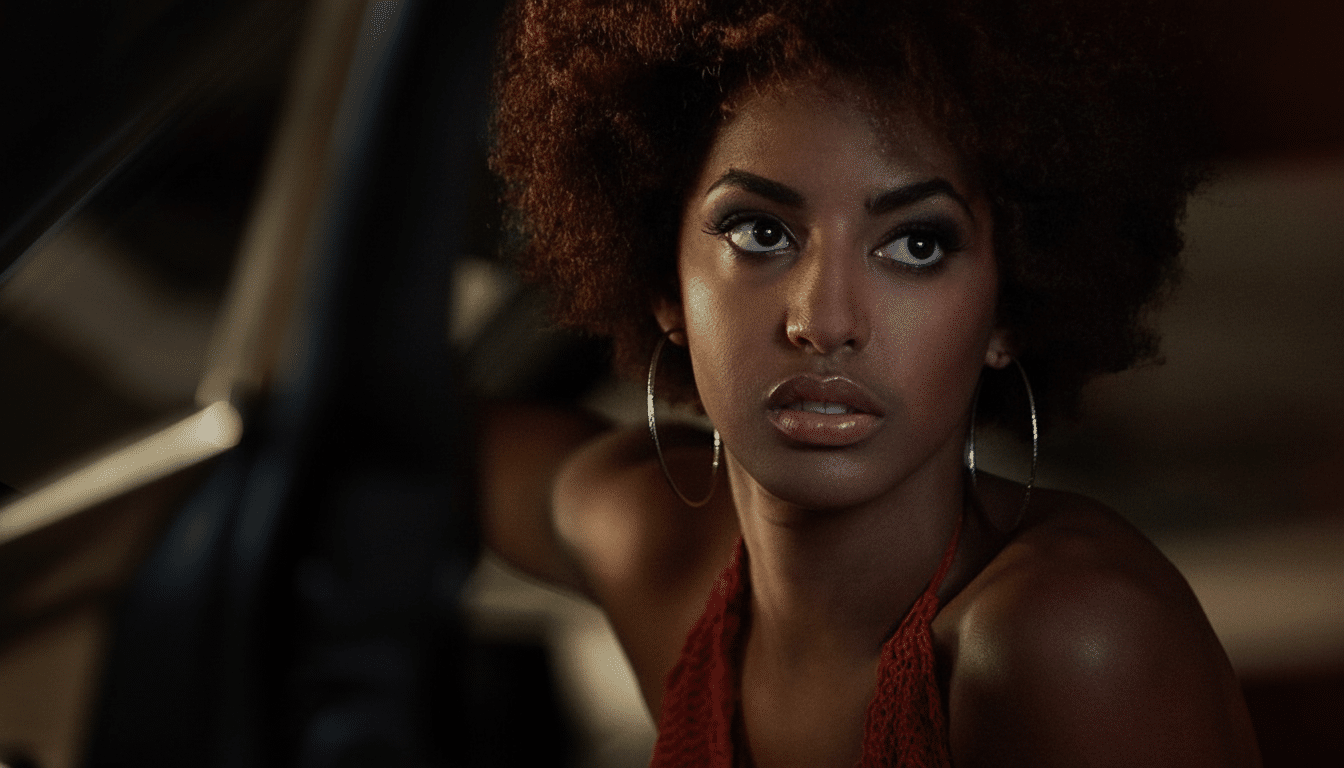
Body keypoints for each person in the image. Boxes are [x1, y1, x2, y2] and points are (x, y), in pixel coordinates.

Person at [483, 0, 1260, 765]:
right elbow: (431, 436)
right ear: (665, 283)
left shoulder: (1073, 641)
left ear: (1008, 311)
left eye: (917, 244)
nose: (825, 323)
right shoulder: (656, 548)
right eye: (761, 232)